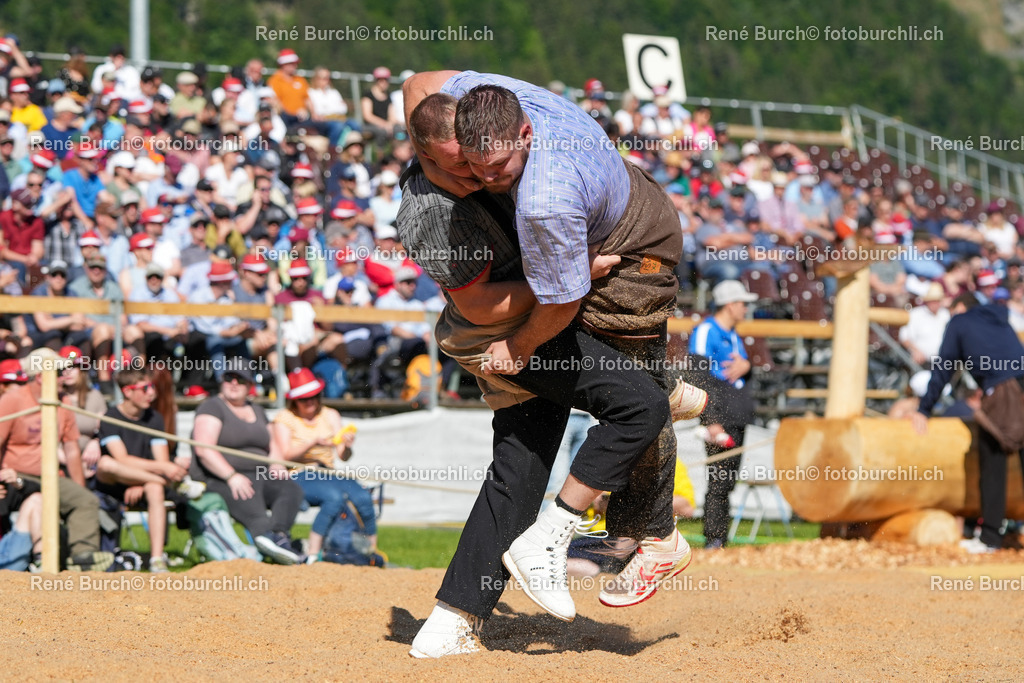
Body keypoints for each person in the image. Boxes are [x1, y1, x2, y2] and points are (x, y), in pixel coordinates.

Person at [399, 97, 701, 657]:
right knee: (637, 406)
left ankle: (450, 622)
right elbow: (482, 308)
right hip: (504, 337)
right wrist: (572, 273)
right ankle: (609, 529)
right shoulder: (432, 214)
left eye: (479, 163)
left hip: (537, 331)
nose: (478, 176)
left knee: (522, 468)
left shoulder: (494, 163)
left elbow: (424, 84)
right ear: (426, 158)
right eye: (460, 167)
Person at [912, 292, 1024, 553]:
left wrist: (923, 408)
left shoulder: (959, 321)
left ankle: (989, 537)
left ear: (960, 307)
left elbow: (943, 368)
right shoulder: (998, 318)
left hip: (1005, 390)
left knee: (992, 458)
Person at [0, 348, 112, 571]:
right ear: (42, 376)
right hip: (15, 474)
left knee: (86, 500)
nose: (65, 375)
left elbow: (71, 450)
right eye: (59, 371)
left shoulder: (64, 402)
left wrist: (79, 488)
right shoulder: (12, 400)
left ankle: (82, 559)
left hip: (50, 476)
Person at [188, 359, 304, 564]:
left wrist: (277, 464)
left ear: (250, 385)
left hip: (260, 473)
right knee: (254, 507)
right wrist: (231, 476)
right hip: (222, 477)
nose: (234, 383)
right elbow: (204, 450)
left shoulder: (257, 410)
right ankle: (270, 543)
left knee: (290, 489)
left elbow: (273, 446)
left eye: (240, 380)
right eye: (229, 378)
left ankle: (278, 536)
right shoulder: (212, 407)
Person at [271, 368, 376, 562]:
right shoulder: (284, 418)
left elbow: (343, 456)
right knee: (333, 497)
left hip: (328, 473)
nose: (310, 402)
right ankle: (313, 553)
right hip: (300, 473)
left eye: (314, 396)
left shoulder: (330, 414)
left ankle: (370, 552)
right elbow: (285, 455)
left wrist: (347, 445)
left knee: (363, 497)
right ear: (294, 400)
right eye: (304, 399)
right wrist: (313, 442)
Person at [94, 368, 189, 572]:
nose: (151, 393)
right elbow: (121, 460)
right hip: (114, 482)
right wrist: (163, 469)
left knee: (155, 488)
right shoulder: (111, 416)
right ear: (127, 392)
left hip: (146, 480)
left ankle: (157, 559)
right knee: (106, 463)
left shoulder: (154, 417)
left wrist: (145, 480)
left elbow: (161, 457)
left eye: (152, 387)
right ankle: (169, 484)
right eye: (145, 388)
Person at [687, 280, 757, 549]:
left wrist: (748, 366)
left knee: (728, 481)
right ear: (730, 305)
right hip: (720, 417)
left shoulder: (734, 335)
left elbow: (739, 373)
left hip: (737, 415)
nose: (746, 308)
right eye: (743, 303)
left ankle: (720, 538)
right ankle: (713, 538)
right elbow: (699, 376)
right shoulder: (706, 331)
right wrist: (711, 420)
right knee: (718, 479)